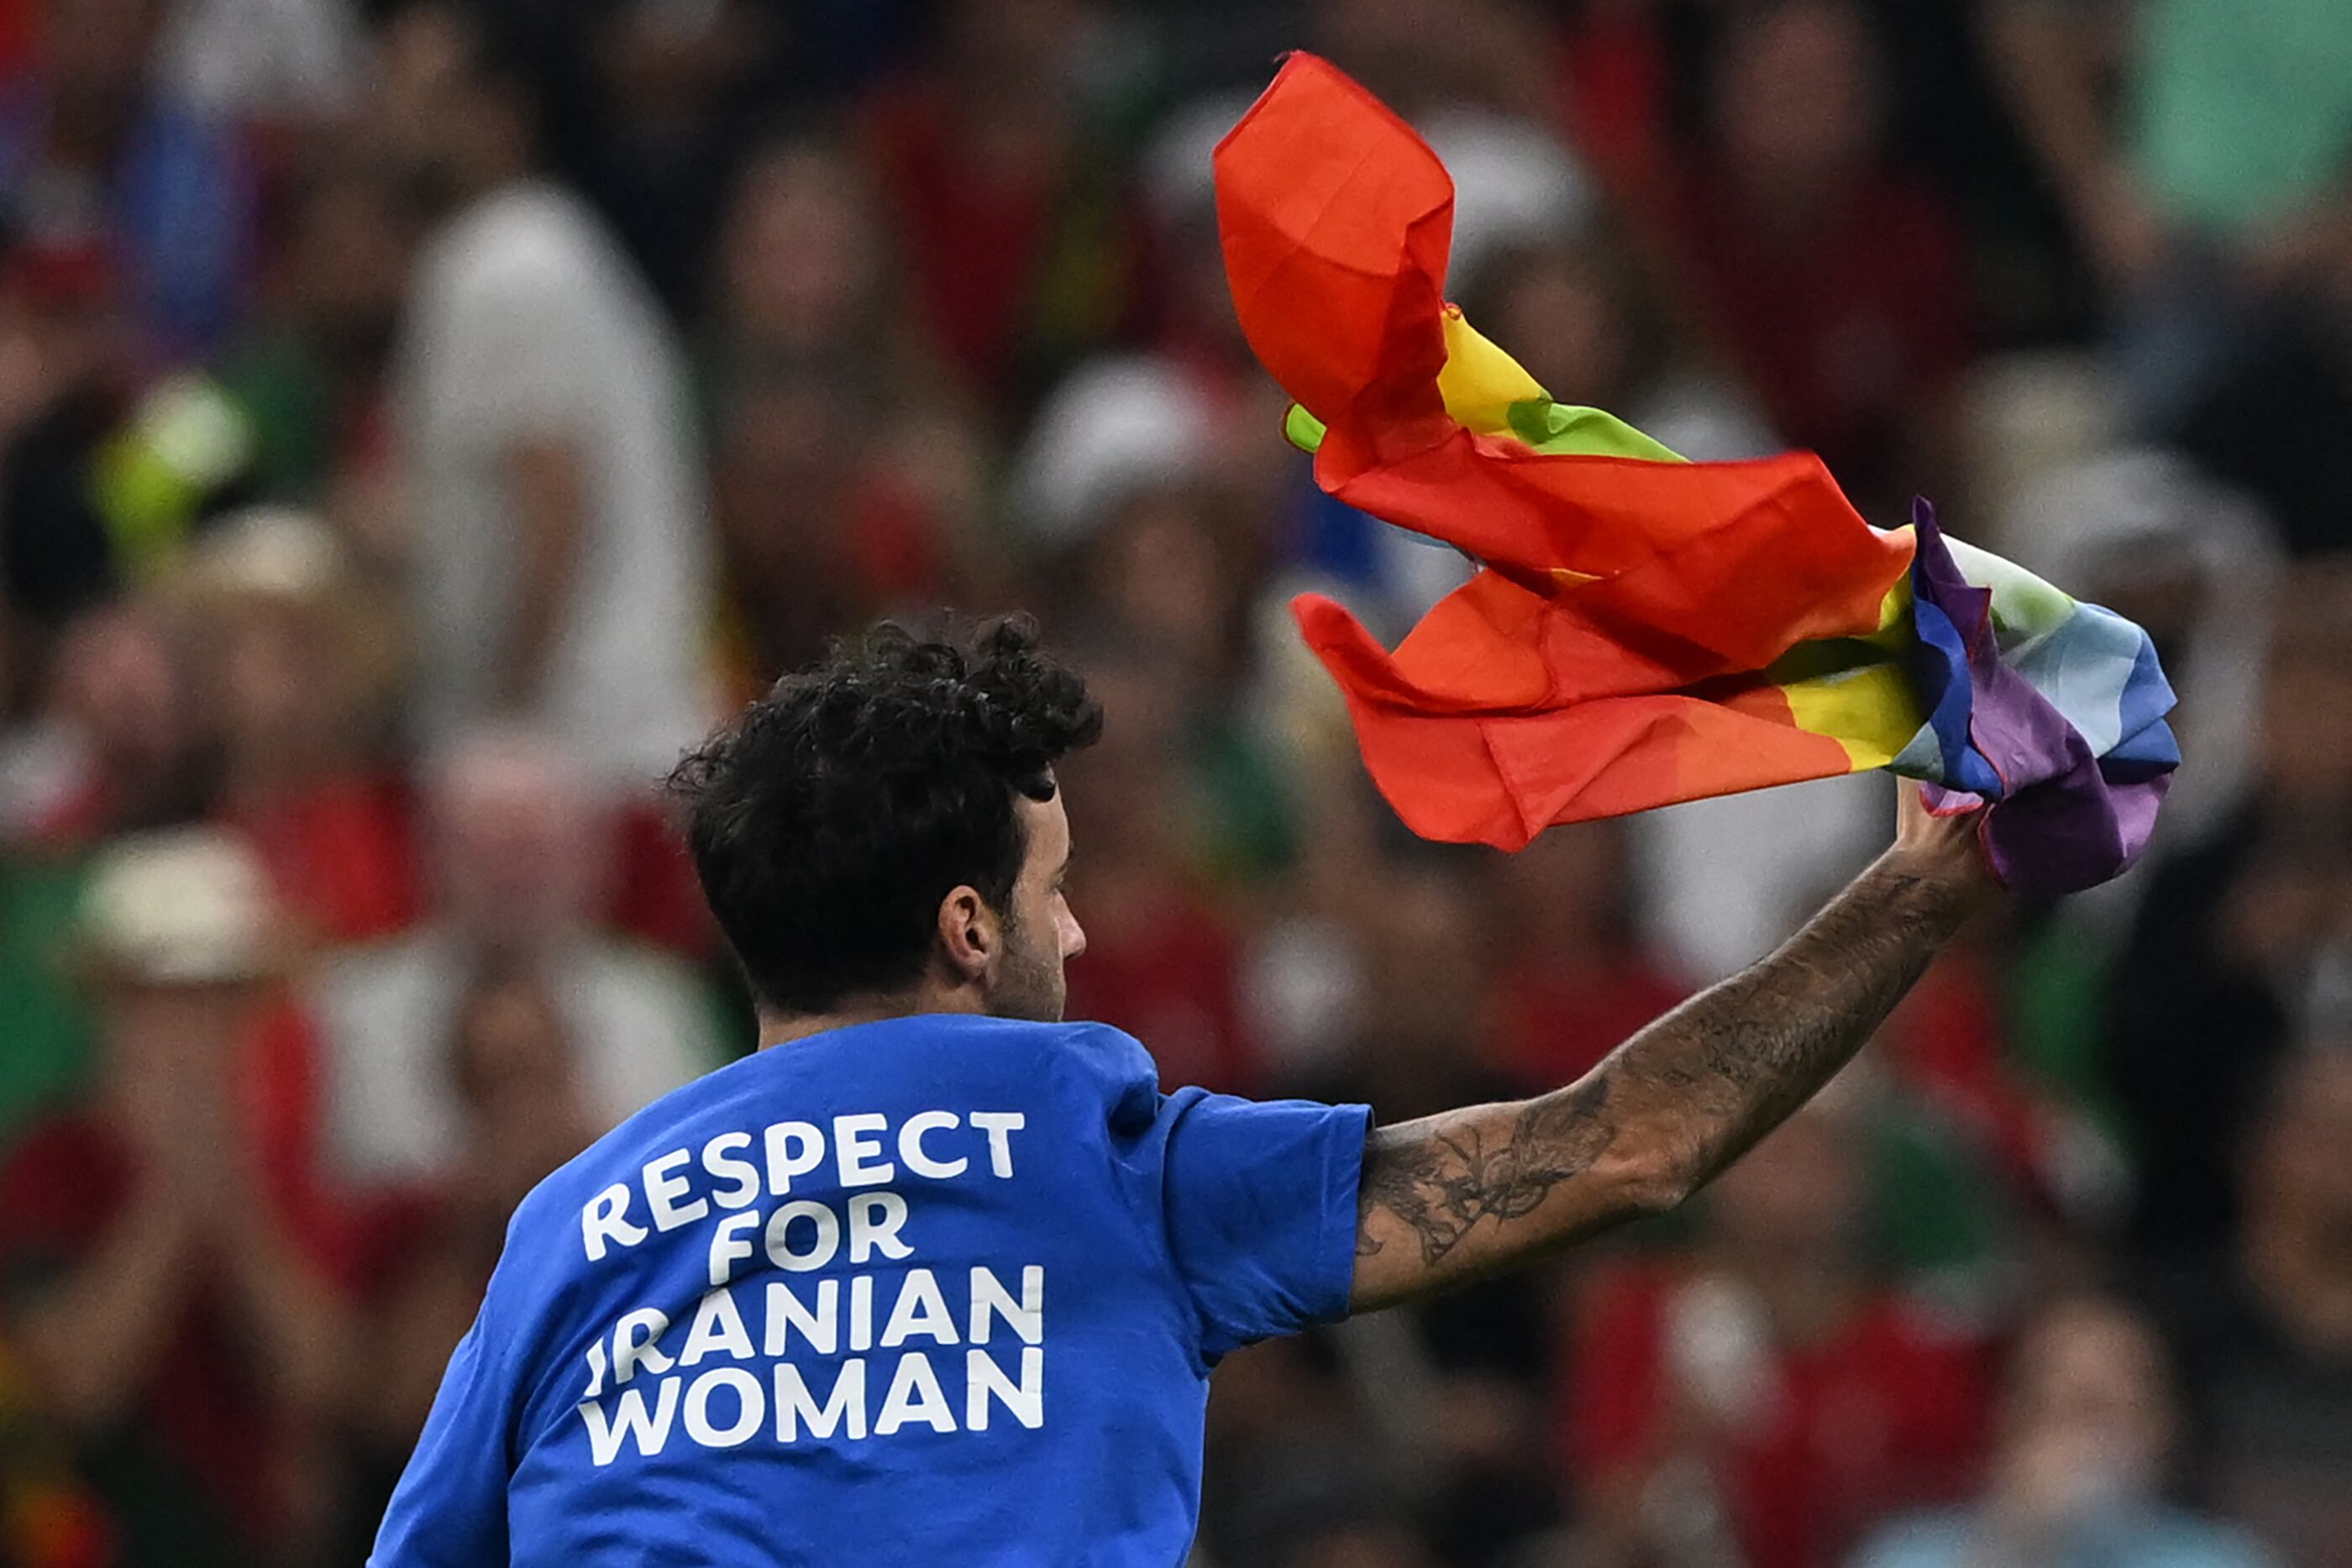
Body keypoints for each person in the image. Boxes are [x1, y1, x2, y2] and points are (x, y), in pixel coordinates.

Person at [370, 616, 2002, 1565]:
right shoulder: (1094, 1154)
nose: (1072, 931)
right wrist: (1919, 889)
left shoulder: (571, 1223)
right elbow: (1632, 1143)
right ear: (965, 929)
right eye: (1052, 889)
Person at [372, 0, 712, 794]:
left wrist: (501, 728)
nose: (391, 109)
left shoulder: (509, 266)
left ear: (500, 111)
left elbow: (555, 502)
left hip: (576, 760)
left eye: (422, 90)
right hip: (594, 749)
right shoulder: (548, 249)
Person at [1853, 1294, 2277, 1568]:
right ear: (2007, 1424)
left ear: (2165, 1428)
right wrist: (2015, 1547)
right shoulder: (1909, 1555)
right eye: (2063, 1408)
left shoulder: (2225, 1559)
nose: (2085, 1445)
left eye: (2109, 1412)